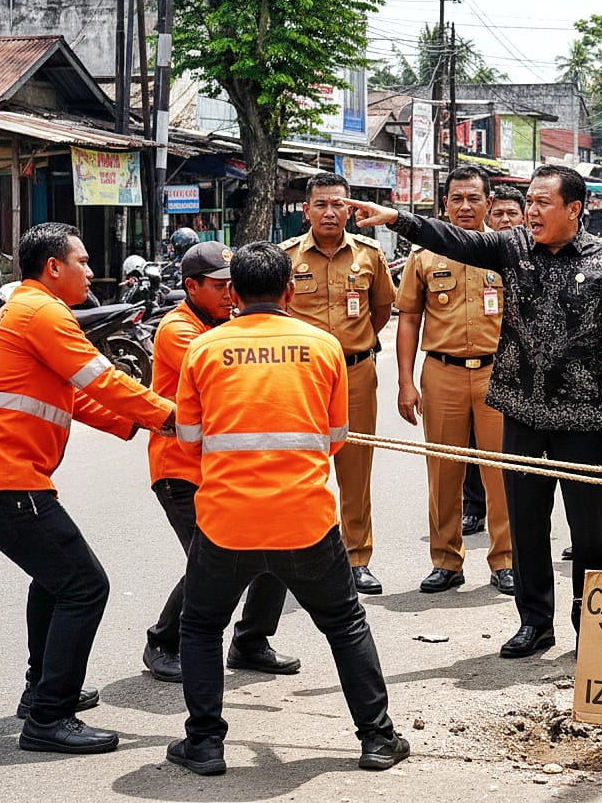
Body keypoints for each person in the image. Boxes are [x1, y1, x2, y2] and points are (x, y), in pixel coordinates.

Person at [346, 164, 602, 658]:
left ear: (574, 209)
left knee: (589, 533)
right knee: (526, 523)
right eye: (528, 202)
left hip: (583, 416)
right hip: (521, 409)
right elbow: (454, 240)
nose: (530, 211)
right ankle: (535, 624)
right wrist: (397, 219)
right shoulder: (510, 248)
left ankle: (591, 628)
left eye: (542, 203)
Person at [169, 242, 408, 775]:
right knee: (345, 623)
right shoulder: (323, 347)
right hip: (305, 520)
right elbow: (335, 438)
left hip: (226, 522)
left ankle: (205, 745)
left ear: (232, 293)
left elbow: (187, 439)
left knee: (202, 627)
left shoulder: (204, 351)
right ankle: (377, 739)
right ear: (289, 290)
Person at [0, 222, 175, 755]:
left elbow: (76, 397)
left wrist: (143, 424)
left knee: (56, 579)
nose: (91, 272)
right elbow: (101, 378)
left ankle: (40, 691)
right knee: (84, 585)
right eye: (84, 262)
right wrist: (170, 415)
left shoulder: (30, 309)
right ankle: (50, 716)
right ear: (54, 267)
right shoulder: (43, 311)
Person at [143, 241, 298, 683]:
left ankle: (251, 641)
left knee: (275, 548)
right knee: (208, 561)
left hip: (225, 464)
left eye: (234, 285)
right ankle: (162, 641)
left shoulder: (224, 323)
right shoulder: (180, 331)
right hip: (182, 466)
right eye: (219, 285)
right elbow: (231, 376)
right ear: (191, 287)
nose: (230, 293)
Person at [394, 166, 513, 595]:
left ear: (488, 204)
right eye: (457, 198)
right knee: (443, 472)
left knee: (502, 471)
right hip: (441, 372)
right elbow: (408, 318)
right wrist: (406, 382)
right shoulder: (424, 256)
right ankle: (446, 560)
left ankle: (505, 561)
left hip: (498, 372)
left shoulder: (508, 251)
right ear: (445, 203)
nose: (465, 206)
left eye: (473, 199)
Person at [282, 173, 396, 595]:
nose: (330, 212)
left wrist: (354, 347)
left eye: (338, 204)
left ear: (350, 209)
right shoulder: (286, 257)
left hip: (355, 373)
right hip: (299, 378)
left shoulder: (369, 255)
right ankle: (295, 556)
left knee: (355, 468)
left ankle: (357, 558)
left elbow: (381, 311)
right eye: (321, 204)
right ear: (307, 210)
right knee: (296, 467)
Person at [462, 183, 527, 535]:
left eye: (510, 214)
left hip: (508, 367)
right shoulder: (481, 251)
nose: (504, 219)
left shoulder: (531, 258)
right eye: (498, 213)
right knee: (467, 449)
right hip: (457, 368)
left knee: (504, 455)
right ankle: (472, 507)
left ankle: (508, 549)